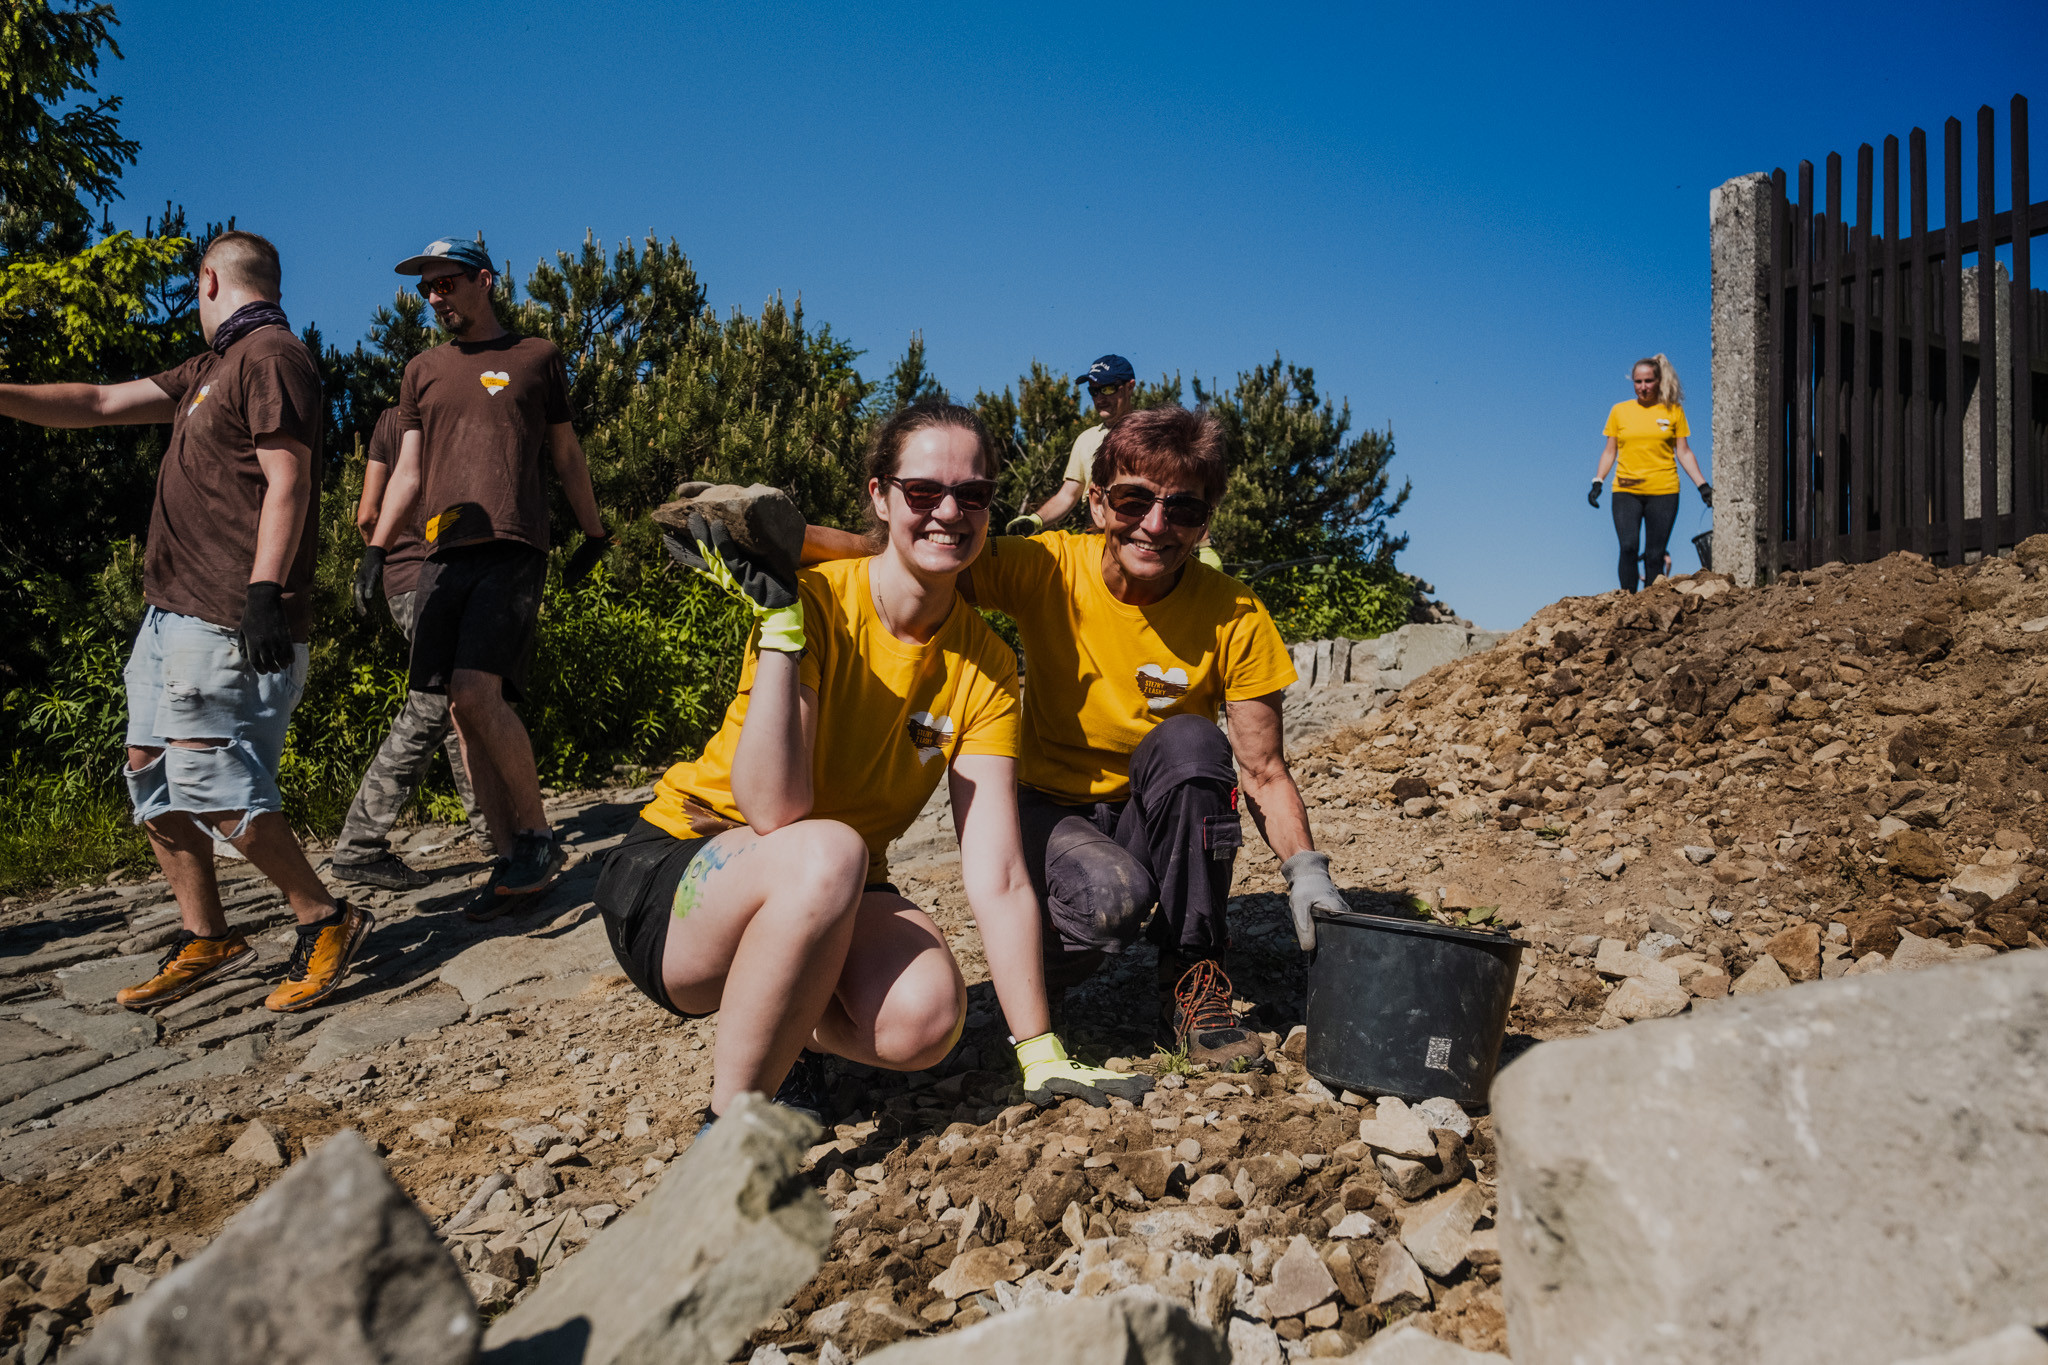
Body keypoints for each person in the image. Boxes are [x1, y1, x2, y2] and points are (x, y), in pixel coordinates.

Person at [596, 403, 1147, 1123]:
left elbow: (1000, 873)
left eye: (972, 494)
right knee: (829, 850)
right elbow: (773, 811)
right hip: (685, 873)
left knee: (929, 1017)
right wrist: (781, 631)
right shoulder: (814, 603)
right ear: (880, 497)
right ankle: (732, 1132)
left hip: (833, 885)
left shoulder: (985, 664)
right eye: (923, 491)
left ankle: (784, 1031)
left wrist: (1039, 1048)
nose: (949, 512)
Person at [811, 405, 1347, 1067]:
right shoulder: (1049, 567)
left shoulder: (1235, 613)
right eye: (1133, 500)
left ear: (1204, 522)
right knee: (1109, 898)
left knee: (1194, 746)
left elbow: (1262, 769)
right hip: (1050, 810)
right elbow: (905, 552)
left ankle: (1194, 975)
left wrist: (1307, 873)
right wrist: (776, 537)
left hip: (1151, 814)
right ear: (1097, 503)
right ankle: (1039, 984)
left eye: (1182, 509)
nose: (1155, 525)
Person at [0, 231, 373, 1013]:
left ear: (208, 280)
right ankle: (207, 935)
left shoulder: (271, 355)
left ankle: (325, 917)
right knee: (151, 769)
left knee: (212, 777)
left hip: (228, 613)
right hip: (169, 615)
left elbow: (289, 479)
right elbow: (98, 403)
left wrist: (264, 592)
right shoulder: (208, 369)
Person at [359, 235, 611, 919]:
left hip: (512, 542)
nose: (434, 297)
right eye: (426, 288)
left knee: (476, 692)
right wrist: (377, 548)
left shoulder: (536, 357)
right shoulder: (422, 370)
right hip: (441, 554)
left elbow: (566, 454)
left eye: (446, 283)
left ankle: (537, 838)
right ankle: (510, 864)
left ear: (485, 281)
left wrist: (594, 534)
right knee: (458, 709)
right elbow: (408, 470)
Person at [330, 408, 492, 890]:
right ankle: (359, 844)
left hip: (399, 580)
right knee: (434, 702)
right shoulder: (453, 412)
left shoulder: (387, 421)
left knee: (459, 702)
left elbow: (366, 515)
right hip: (439, 575)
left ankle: (495, 835)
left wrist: (393, 556)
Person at [1590, 353, 1712, 592]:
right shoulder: (1619, 411)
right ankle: (1626, 600)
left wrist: (1703, 486)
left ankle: (1650, 604)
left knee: (1655, 554)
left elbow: (1684, 452)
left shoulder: (1673, 411)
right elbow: (1609, 451)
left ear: (1659, 381)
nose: (1643, 387)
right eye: (1638, 382)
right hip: (1626, 489)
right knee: (1628, 546)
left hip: (1664, 490)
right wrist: (1598, 481)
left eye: (1648, 381)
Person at [1007, 354, 1135, 535]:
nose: (1100, 398)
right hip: (1097, 536)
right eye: (1094, 391)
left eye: (1107, 389)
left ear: (1130, 387)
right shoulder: (1086, 439)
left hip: (1137, 534)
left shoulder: (1151, 435)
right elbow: (1067, 496)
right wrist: (1034, 521)